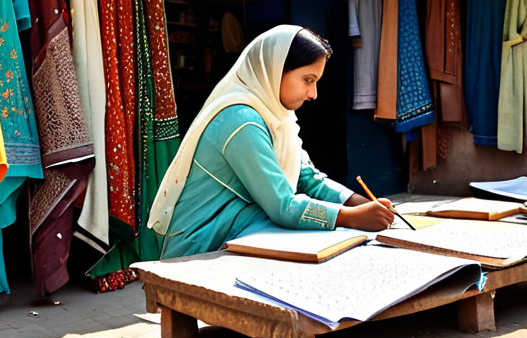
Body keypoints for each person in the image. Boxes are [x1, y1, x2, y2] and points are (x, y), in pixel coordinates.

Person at [148, 25, 394, 259]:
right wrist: (350, 217)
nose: (313, 94)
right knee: (313, 233)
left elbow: (307, 178)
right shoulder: (240, 120)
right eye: (308, 80)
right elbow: (281, 205)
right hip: (200, 242)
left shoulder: (277, 117)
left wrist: (360, 203)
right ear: (275, 70)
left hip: (236, 224)